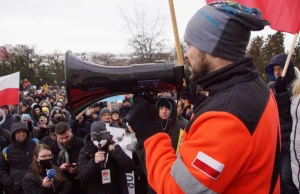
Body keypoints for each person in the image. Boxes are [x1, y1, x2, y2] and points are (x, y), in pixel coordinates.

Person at [126, 2, 280, 194]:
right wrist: (202, 101)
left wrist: (151, 133)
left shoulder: (226, 116)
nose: (186, 54)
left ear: (213, 49)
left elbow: (176, 189)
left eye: (190, 45)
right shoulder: (252, 86)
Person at [265, 54, 298, 194]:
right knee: (274, 178)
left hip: (288, 143)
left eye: (280, 68)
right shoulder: (270, 87)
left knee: (287, 177)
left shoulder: (297, 87)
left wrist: (283, 95)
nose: (277, 72)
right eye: (275, 69)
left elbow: (290, 114)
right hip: (273, 141)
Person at [77, 121, 133, 194]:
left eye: (102, 135)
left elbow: (129, 167)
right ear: (91, 137)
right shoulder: (86, 151)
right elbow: (82, 175)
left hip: (116, 190)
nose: (99, 138)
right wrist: (94, 162)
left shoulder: (114, 146)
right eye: (95, 136)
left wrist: (115, 151)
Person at [0, 122, 38, 194]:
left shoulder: (35, 144)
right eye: (18, 132)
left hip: (34, 185)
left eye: (23, 131)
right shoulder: (7, 150)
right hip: (15, 188)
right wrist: (9, 182)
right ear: (13, 134)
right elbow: (2, 169)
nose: (21, 134)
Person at [51, 122, 84, 194]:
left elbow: (86, 162)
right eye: (61, 138)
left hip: (79, 183)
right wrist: (60, 168)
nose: (64, 140)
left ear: (71, 131)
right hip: (61, 184)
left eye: (67, 137)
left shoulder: (82, 143)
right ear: (56, 135)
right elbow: (50, 165)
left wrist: (78, 167)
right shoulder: (52, 147)